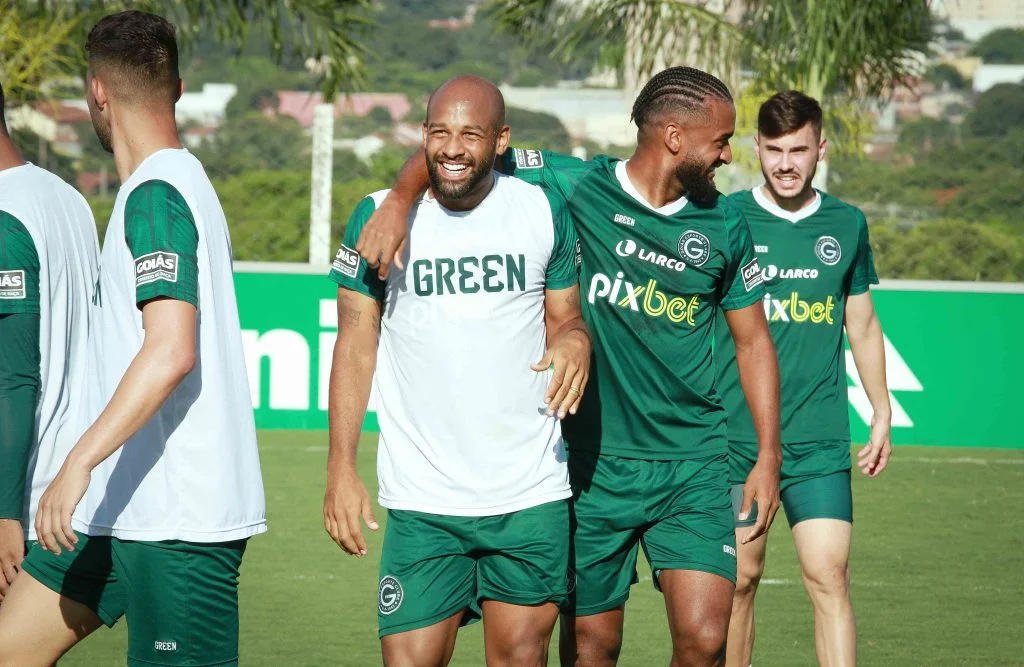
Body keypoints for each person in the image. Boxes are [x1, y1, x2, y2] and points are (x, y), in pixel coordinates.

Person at [353, 66, 783, 667]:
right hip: (592, 466)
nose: (729, 154)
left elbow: (754, 344)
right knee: (592, 647)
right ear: (675, 137)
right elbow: (459, 149)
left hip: (694, 463)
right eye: (721, 140)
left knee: (706, 638)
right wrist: (400, 199)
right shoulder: (575, 184)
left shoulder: (726, 221)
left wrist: (767, 455)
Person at [0, 11, 266, 666]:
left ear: (96, 92)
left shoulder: (156, 193)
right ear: (177, 88)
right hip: (114, 510)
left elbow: (172, 349)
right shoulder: (171, 183)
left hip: (177, 524)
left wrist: (77, 460)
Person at [324, 74, 589, 667]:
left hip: (528, 494)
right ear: (422, 134)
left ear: (501, 141)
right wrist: (341, 467)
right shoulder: (376, 217)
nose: (451, 147)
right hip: (422, 503)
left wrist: (576, 343)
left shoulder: (541, 208)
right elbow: (355, 341)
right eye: (439, 131)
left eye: (471, 134)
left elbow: (566, 319)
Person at [718, 91, 892, 667]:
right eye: (773, 150)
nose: (786, 163)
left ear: (821, 148)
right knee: (739, 579)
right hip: (739, 440)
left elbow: (861, 323)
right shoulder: (728, 218)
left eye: (798, 149)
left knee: (829, 575)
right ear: (756, 150)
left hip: (817, 437)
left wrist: (881, 411)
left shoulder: (846, 224)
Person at [0, 81, 99, 604]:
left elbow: (13, 380)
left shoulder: (5, 216)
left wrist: (3, 514)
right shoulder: (67, 196)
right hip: (67, 491)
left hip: (27, 498)